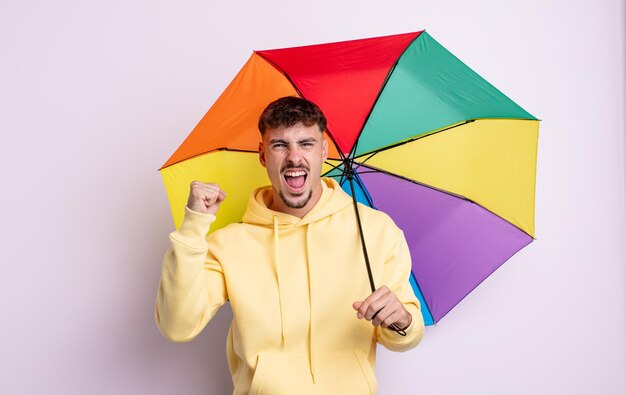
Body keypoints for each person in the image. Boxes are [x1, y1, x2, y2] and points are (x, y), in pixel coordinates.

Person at [155, 96, 425, 394]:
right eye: (280, 145)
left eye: (306, 143)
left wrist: (402, 320)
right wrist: (194, 226)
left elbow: (405, 337)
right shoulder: (229, 243)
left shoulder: (375, 230)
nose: (294, 157)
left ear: (324, 151)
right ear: (262, 154)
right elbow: (177, 326)